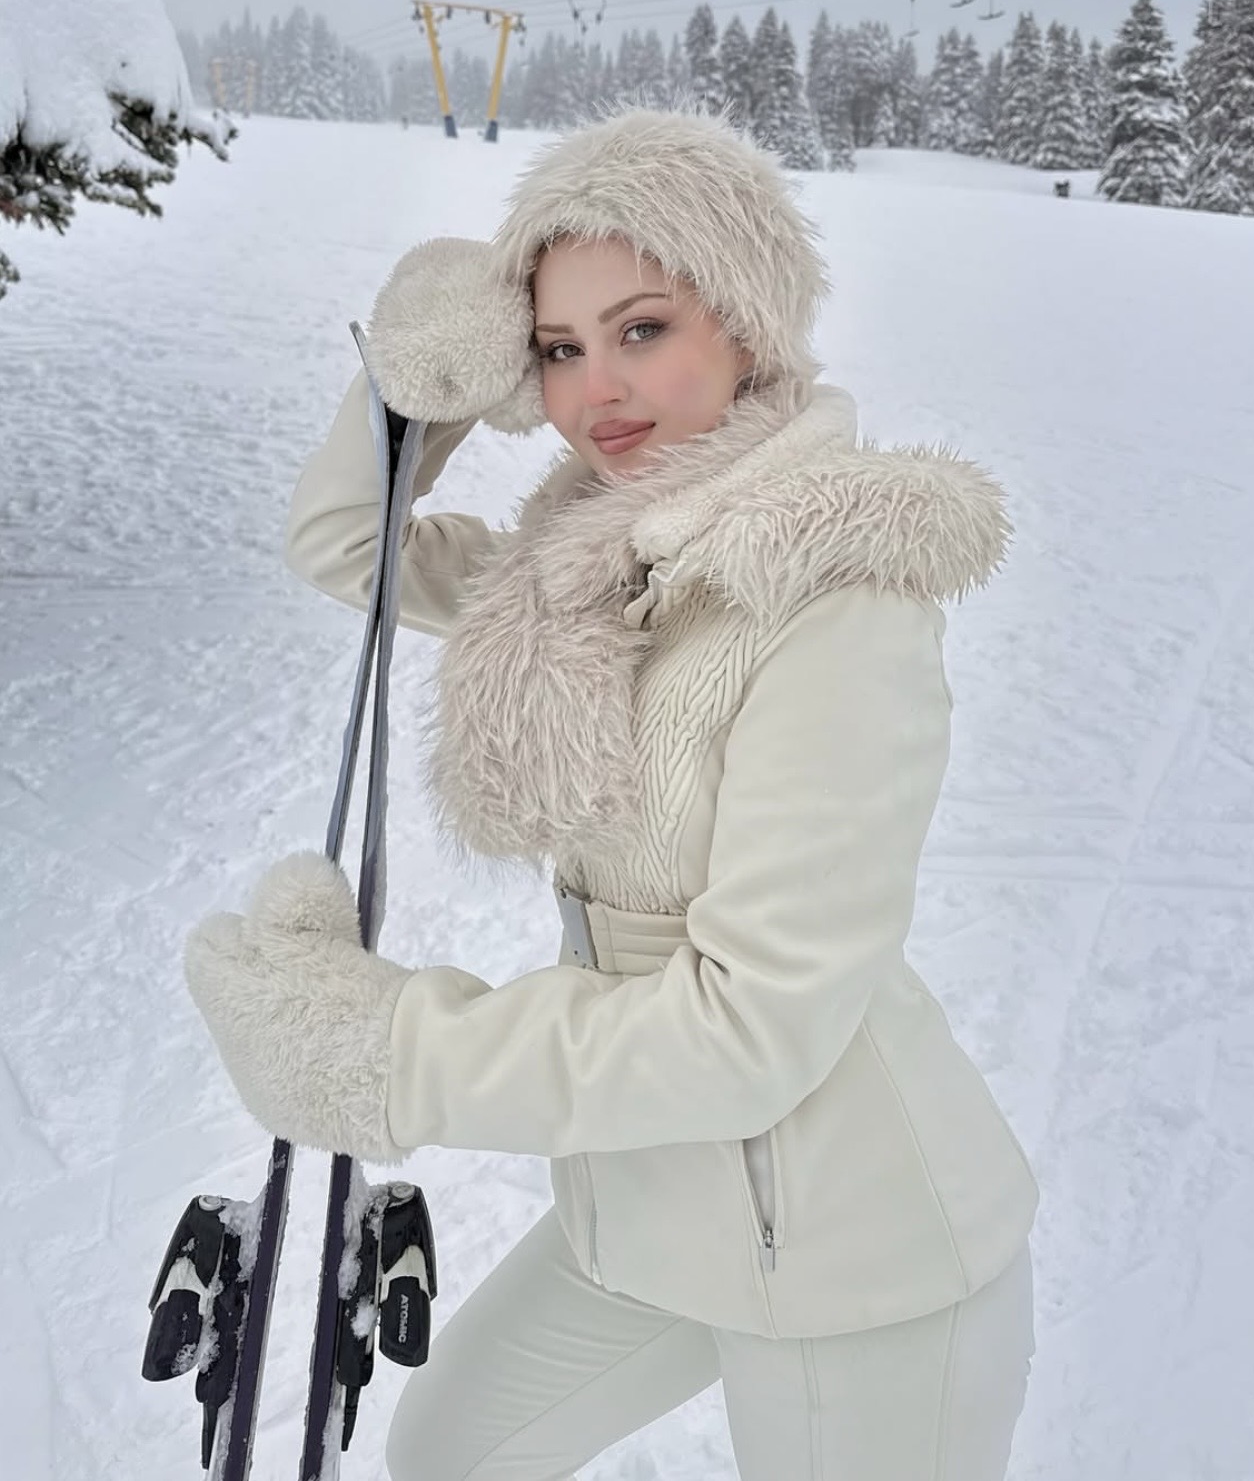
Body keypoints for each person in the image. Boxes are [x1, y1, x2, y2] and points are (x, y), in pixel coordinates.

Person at [184, 105, 1040, 1481]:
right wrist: (423, 381)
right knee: (449, 1452)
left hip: (851, 1259)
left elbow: (750, 1029)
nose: (599, 391)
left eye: (643, 328)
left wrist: (390, 1050)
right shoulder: (585, 566)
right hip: (654, 1204)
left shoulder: (837, 598)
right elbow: (351, 543)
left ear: (746, 322)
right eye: (558, 349)